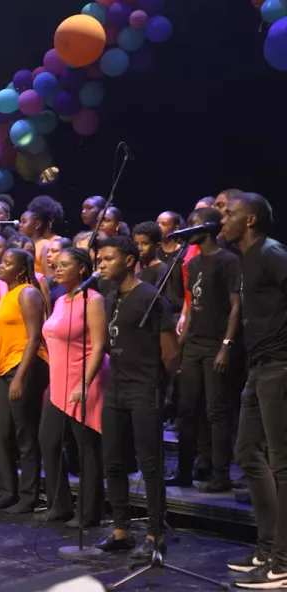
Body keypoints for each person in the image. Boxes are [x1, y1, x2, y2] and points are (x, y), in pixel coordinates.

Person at [93, 236, 178, 562]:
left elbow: (170, 353)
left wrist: (163, 386)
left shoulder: (150, 297)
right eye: (100, 259)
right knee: (113, 460)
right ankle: (121, 531)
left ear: (129, 260)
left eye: (108, 259)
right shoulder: (110, 298)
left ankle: (155, 536)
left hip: (144, 388)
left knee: (150, 465)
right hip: (116, 388)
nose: (101, 265)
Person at [219, 193, 287, 587]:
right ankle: (267, 548)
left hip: (279, 366)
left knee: (282, 463)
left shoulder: (271, 253)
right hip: (259, 367)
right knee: (247, 452)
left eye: (230, 213)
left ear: (251, 220)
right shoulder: (245, 259)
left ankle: (283, 561)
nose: (222, 219)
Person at [169, 207, 240, 493]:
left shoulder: (227, 261)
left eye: (193, 223)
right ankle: (186, 470)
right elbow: (192, 308)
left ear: (208, 227)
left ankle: (221, 474)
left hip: (215, 344)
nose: (188, 227)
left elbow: (236, 306)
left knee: (216, 411)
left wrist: (226, 346)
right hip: (194, 345)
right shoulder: (195, 263)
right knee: (187, 410)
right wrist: (180, 347)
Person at [39, 247, 108, 527]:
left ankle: (89, 512)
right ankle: (60, 505)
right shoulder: (60, 301)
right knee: (48, 441)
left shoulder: (93, 300)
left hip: (84, 381)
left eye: (64, 264)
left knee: (86, 448)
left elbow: (100, 346)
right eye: (56, 265)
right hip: (58, 383)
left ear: (82, 268)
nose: (57, 269)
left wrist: (85, 382)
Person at [0, 248, 50, 514]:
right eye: (2, 262)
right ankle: (8, 491)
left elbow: (35, 337)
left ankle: (28, 496)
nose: (1, 266)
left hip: (26, 366)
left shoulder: (28, 293)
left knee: (25, 433)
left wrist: (20, 377)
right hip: (4, 369)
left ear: (21, 270)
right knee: (0, 432)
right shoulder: (6, 294)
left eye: (8, 263)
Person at [132, 221, 164, 287]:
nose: (139, 248)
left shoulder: (162, 270)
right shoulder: (138, 268)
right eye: (136, 243)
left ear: (157, 246)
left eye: (145, 244)